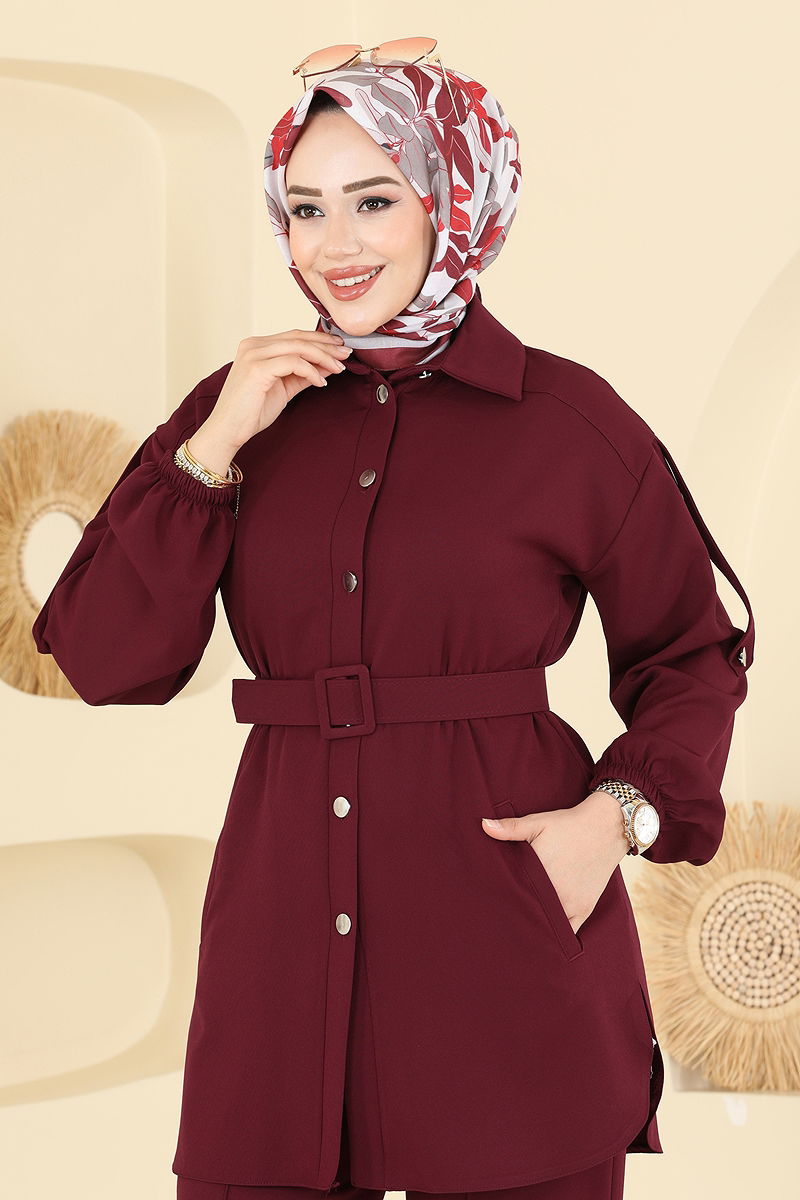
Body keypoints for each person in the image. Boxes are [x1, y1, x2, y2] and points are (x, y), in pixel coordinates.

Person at [31, 53, 755, 1200]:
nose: (335, 245)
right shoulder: (238, 411)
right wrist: (210, 450)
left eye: (372, 201)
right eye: (305, 208)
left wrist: (610, 822)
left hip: (505, 944)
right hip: (277, 961)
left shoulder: (567, 422)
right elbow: (105, 659)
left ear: (450, 201)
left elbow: (690, 652)